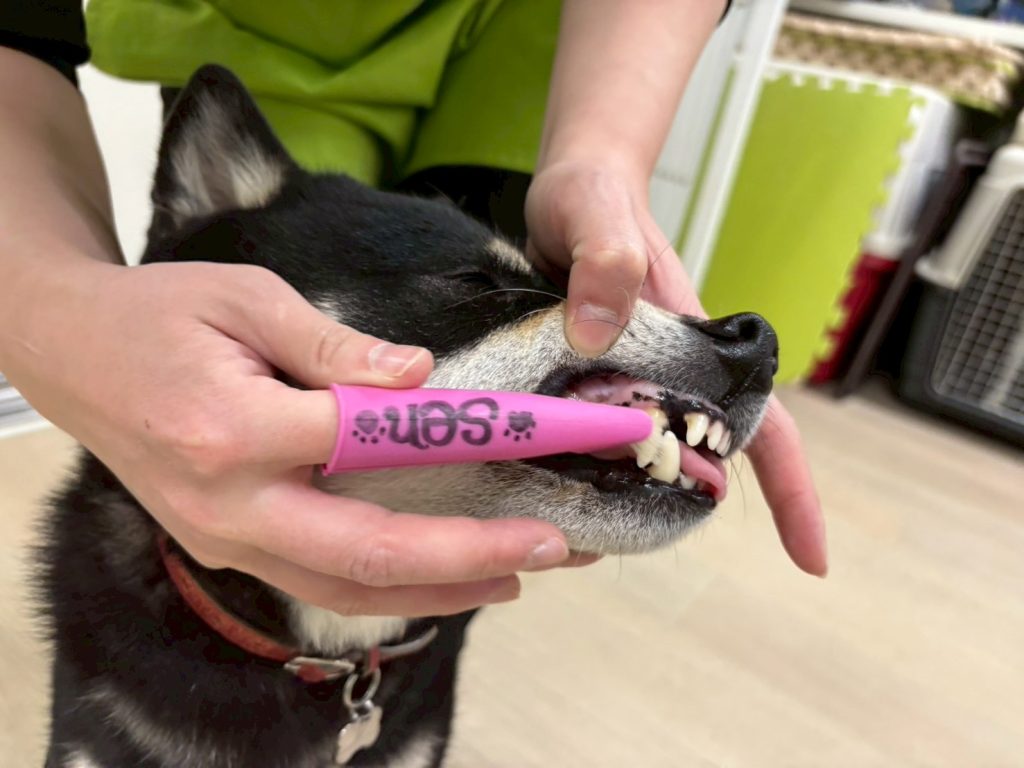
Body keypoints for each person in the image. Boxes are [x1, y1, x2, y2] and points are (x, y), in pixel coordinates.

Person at [0, 1, 826, 621]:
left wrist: (601, 156)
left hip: (531, 34)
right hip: (270, 24)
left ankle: (397, 645)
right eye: (477, 289)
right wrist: (56, 309)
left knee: (450, 479)